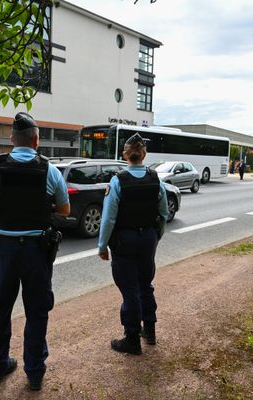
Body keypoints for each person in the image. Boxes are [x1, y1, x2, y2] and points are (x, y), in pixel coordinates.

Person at [0, 112, 70, 391]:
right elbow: (64, 210)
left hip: (3, 251)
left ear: (11, 139)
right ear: (36, 141)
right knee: (37, 313)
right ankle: (35, 373)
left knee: (0, 310)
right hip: (37, 253)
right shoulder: (49, 170)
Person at [97, 133, 169, 355]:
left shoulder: (117, 181)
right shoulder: (156, 180)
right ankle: (150, 331)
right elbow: (164, 213)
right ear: (144, 154)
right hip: (147, 239)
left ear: (125, 155)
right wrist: (156, 236)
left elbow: (108, 218)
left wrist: (102, 246)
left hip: (124, 241)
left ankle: (132, 339)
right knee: (145, 284)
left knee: (130, 289)